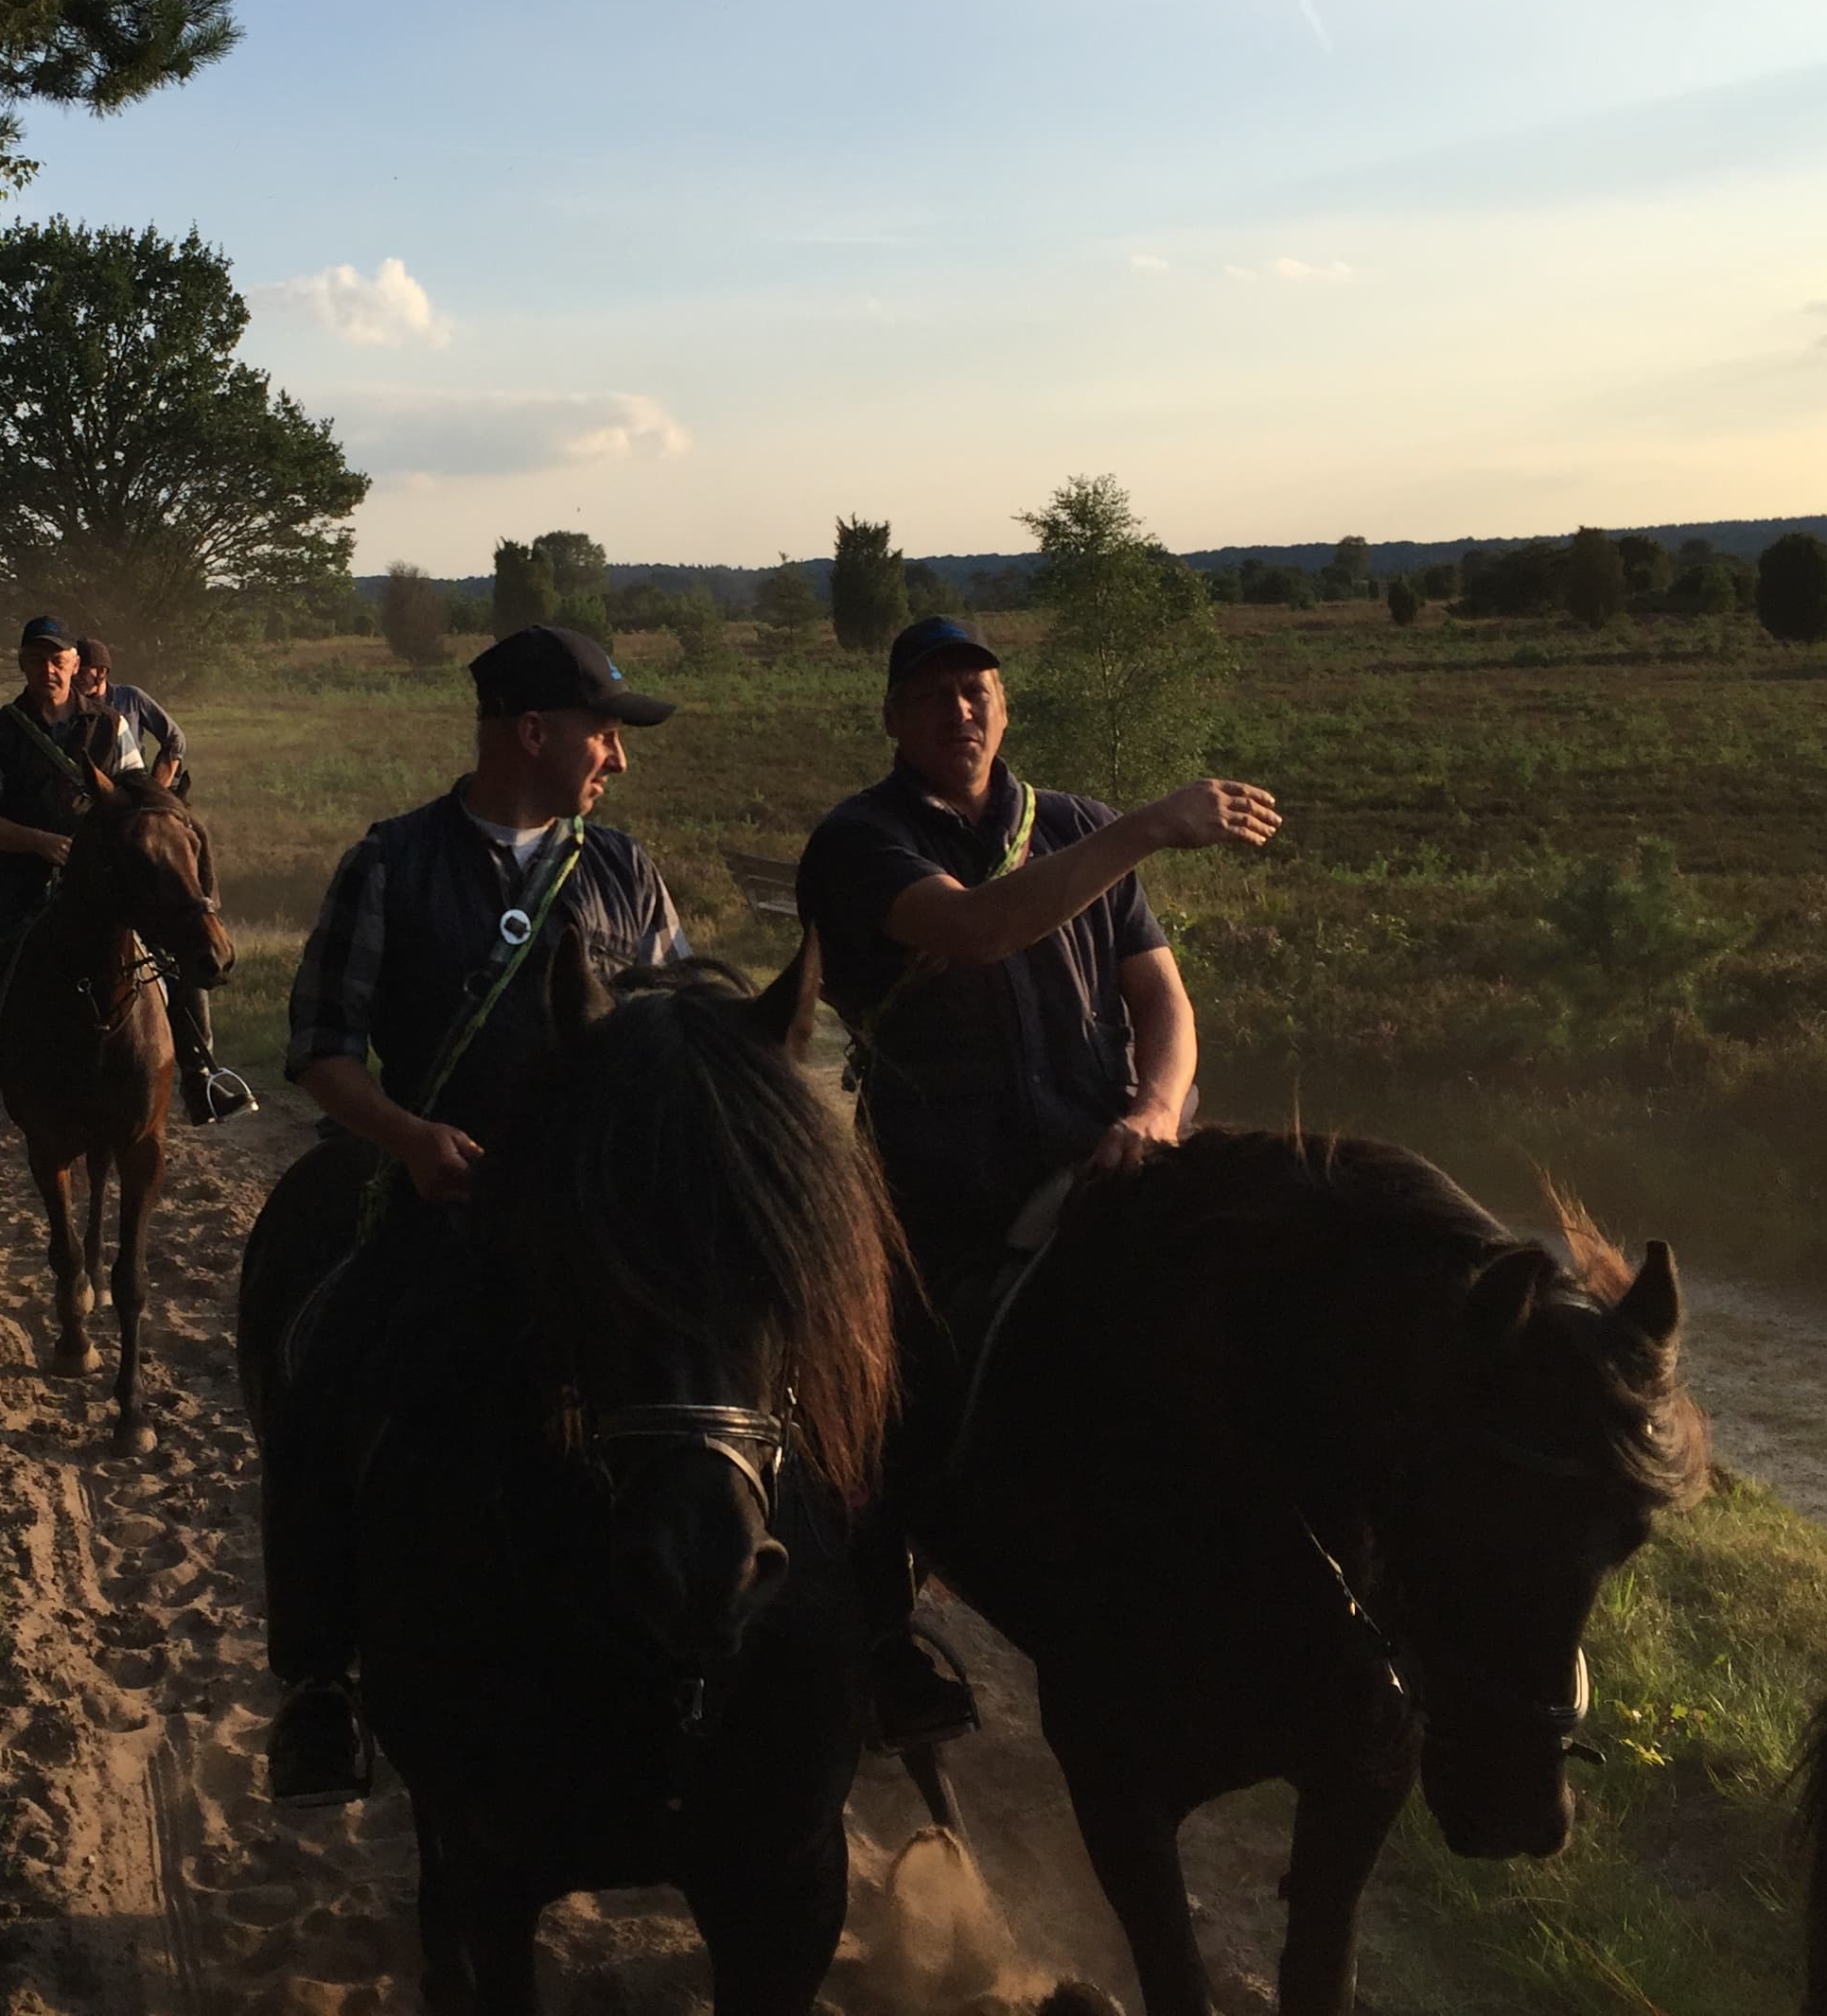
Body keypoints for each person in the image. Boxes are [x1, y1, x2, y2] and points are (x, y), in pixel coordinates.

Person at [794, 613, 1283, 1749]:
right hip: (947, 1187)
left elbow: (1163, 1004)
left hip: (1115, 1158)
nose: (958, 711)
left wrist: (1154, 1111)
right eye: (931, 696)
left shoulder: (1071, 824)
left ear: (1005, 708)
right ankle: (879, 1644)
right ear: (891, 719)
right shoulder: (859, 842)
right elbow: (976, 928)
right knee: (876, 1393)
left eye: (977, 690)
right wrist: (1149, 827)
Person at [263, 622, 690, 1804]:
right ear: (534, 732)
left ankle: (823, 1636)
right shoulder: (390, 863)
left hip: (602, 1235)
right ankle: (317, 1681)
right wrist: (409, 1139)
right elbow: (321, 1049)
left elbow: (674, 1044)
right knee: (317, 1380)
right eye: (606, 733)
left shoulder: (626, 872)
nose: (619, 758)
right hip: (442, 1213)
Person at [75, 635, 251, 1123]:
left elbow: (175, 739)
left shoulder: (126, 705)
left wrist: (157, 793)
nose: (80, 676)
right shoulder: (55, 717)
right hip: (82, 843)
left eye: (87, 669)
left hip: (133, 837)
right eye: (77, 668)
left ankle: (201, 1077)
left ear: (99, 672)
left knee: (179, 940)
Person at [76, 640, 185, 788]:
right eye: (74, 672)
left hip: (133, 788)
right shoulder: (72, 705)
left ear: (101, 672)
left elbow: (175, 739)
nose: (75, 678)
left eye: (82, 672)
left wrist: (156, 789)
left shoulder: (130, 698)